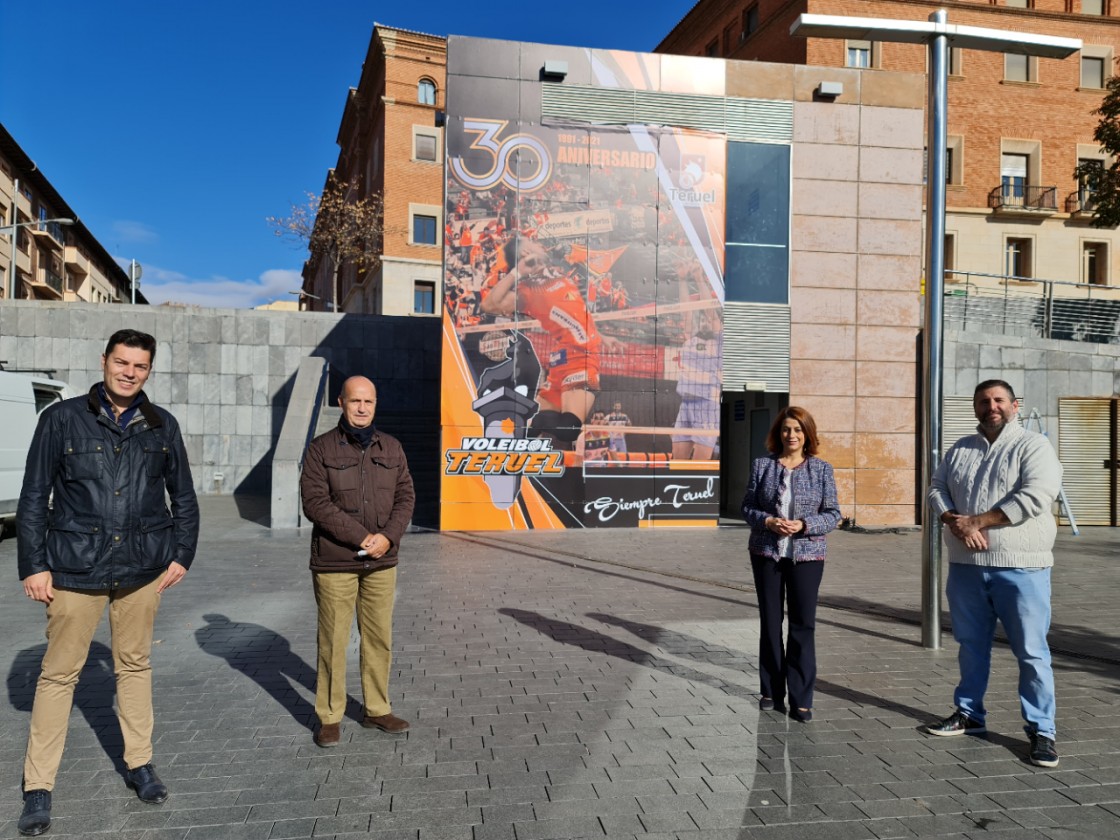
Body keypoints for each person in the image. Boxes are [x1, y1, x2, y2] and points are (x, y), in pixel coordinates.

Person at [16, 329, 199, 837]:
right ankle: (38, 786)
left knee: (135, 665)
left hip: (142, 570)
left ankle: (139, 763)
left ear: (149, 371)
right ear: (104, 361)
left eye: (139, 366)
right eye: (121, 362)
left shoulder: (163, 426)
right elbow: (34, 496)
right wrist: (34, 564)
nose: (129, 372)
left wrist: (182, 553)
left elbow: (183, 495)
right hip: (74, 570)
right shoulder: (61, 419)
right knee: (58, 677)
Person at [925, 380, 1064, 768]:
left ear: (1015, 405)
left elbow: (1038, 494)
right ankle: (970, 715)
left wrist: (978, 522)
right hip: (967, 568)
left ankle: (1043, 731)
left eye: (999, 400)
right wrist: (952, 518)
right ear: (975, 408)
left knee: (1032, 652)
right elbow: (936, 487)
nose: (992, 407)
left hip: (1023, 566)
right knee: (971, 646)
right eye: (983, 401)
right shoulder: (960, 449)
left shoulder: (1034, 446)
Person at [300, 376, 415, 748]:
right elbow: (315, 502)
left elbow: (406, 497)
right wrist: (360, 537)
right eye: (355, 401)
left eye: (368, 401)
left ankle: (377, 709)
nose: (362, 408)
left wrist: (388, 537)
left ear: (376, 403)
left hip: (382, 562)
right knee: (333, 640)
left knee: (379, 638)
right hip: (337, 561)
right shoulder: (320, 450)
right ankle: (329, 716)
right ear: (341, 403)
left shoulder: (392, 448)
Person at [741, 406, 840, 723]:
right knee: (770, 623)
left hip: (807, 555)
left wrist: (804, 525)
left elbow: (833, 514)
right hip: (766, 552)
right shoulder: (762, 466)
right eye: (786, 429)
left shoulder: (822, 469)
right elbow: (747, 508)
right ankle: (770, 690)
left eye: (798, 430)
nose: (791, 435)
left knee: (803, 625)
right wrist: (768, 521)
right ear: (778, 433)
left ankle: (801, 697)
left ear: (807, 434)